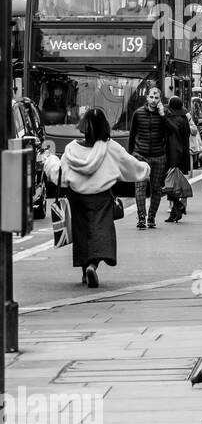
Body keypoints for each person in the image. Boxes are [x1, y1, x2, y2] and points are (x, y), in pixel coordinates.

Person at [39, 108, 149, 289]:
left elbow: (61, 175)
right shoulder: (112, 148)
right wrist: (145, 169)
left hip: (77, 198)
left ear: (84, 127)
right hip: (102, 198)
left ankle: (85, 271)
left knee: (82, 233)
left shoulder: (71, 149)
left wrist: (49, 161)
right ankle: (93, 266)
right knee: (101, 232)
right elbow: (131, 166)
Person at [127, 86, 169, 230]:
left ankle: (151, 217)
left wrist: (163, 115)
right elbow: (132, 135)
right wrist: (130, 155)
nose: (153, 100)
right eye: (151, 97)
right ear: (147, 98)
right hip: (140, 155)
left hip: (159, 156)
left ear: (160, 99)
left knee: (156, 189)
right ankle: (141, 218)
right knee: (140, 187)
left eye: (156, 98)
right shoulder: (138, 113)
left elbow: (170, 131)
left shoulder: (163, 114)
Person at [161, 96, 196, 223]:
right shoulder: (184, 119)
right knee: (174, 183)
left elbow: (169, 138)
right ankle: (176, 209)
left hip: (172, 154)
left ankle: (177, 206)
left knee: (169, 182)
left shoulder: (171, 119)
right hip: (182, 154)